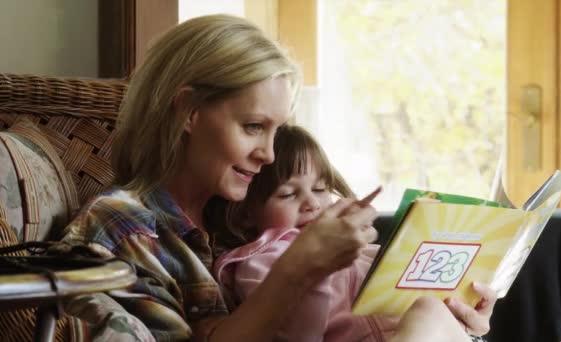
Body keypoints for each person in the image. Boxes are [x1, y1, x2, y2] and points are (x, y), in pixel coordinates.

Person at [58, 14, 495, 342]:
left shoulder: (241, 214)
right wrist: (298, 270)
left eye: (275, 131)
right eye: (252, 127)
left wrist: (455, 320)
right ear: (188, 111)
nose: (268, 155)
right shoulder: (124, 225)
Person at [214, 125, 490, 342]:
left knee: (431, 309)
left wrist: (462, 298)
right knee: (428, 313)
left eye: (321, 189)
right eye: (288, 194)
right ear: (247, 213)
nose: (312, 203)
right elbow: (297, 337)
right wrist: (316, 268)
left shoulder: (363, 248)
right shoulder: (258, 263)